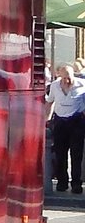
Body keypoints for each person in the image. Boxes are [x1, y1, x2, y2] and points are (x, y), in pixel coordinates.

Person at [46, 63, 85, 193]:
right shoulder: (55, 86)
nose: (66, 81)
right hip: (60, 122)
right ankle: (62, 182)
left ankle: (76, 183)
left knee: (76, 154)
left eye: (69, 78)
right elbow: (50, 102)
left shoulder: (82, 85)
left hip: (76, 121)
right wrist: (47, 119)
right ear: (60, 77)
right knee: (60, 154)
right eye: (64, 78)